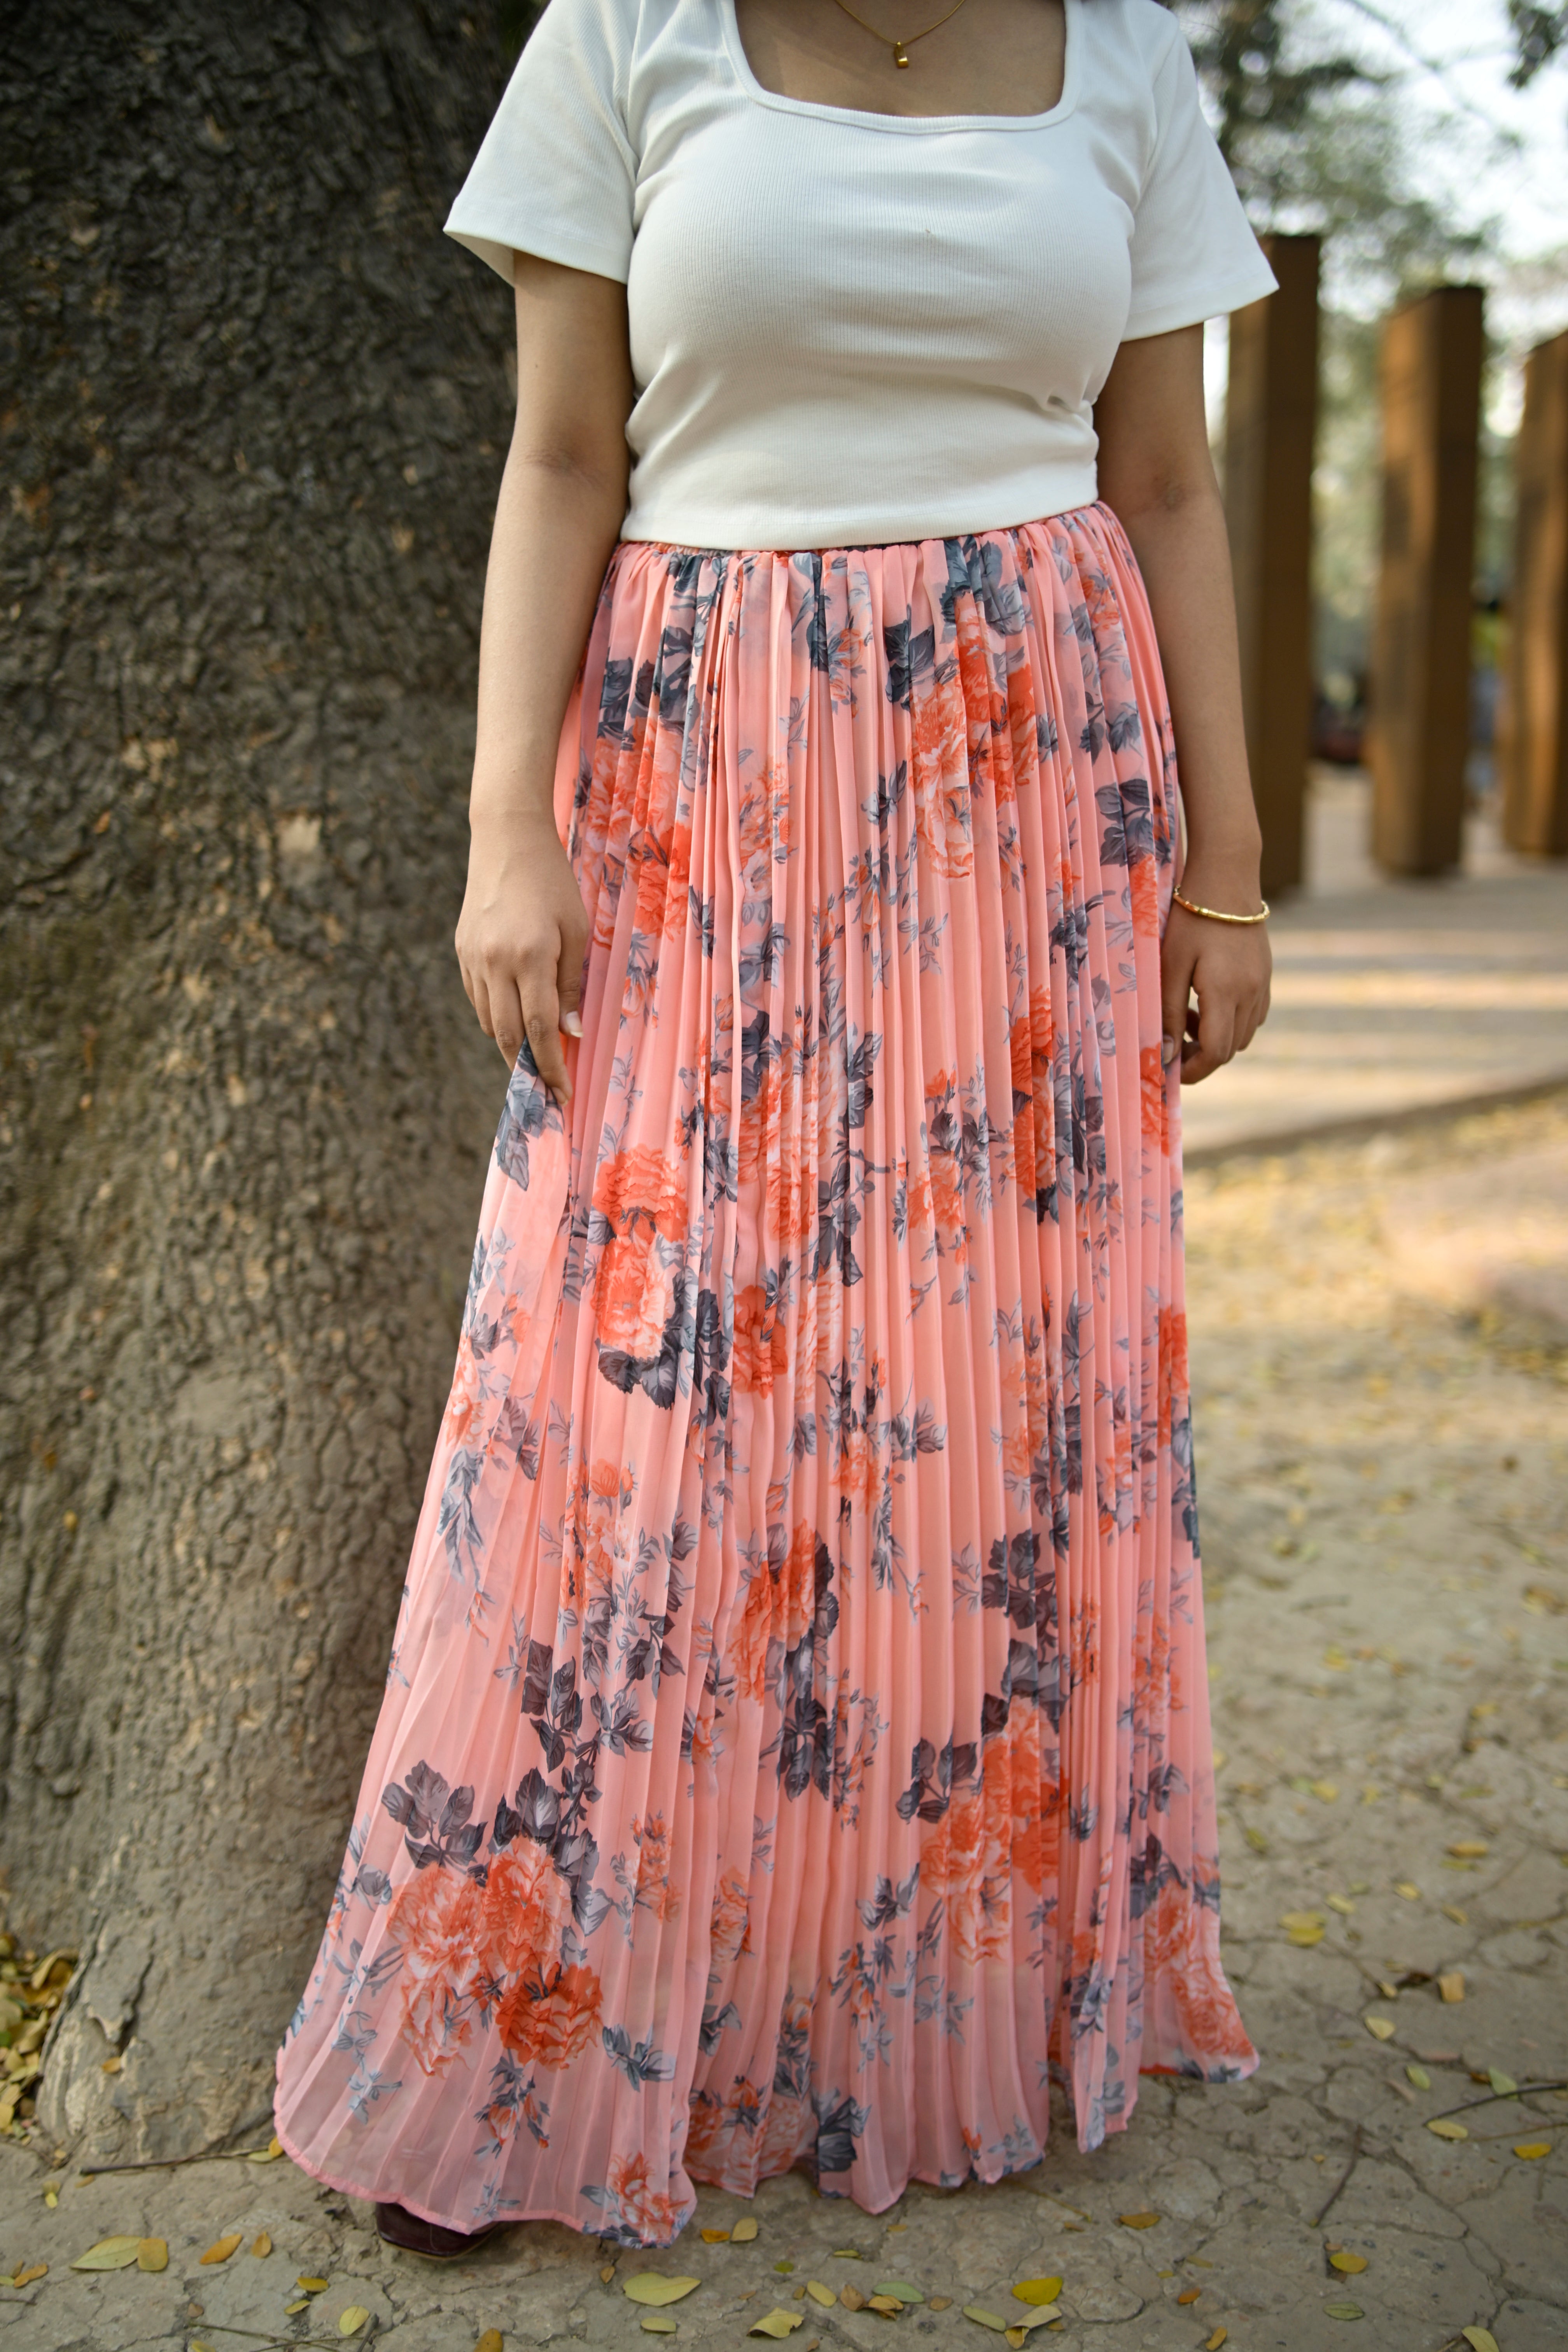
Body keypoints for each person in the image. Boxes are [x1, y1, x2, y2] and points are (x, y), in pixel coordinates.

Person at [274, 0, 1274, 2258]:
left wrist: (1224, 869)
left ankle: (919, 2015)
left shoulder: (1118, 53)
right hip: (700, 770)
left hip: (1035, 783)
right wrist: (500, 830)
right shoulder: (628, 30)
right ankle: (540, 2024)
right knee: (632, 1388)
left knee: (984, 1404)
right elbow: (557, 460)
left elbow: (1174, 482)